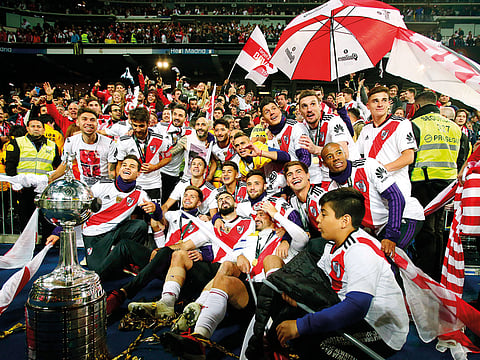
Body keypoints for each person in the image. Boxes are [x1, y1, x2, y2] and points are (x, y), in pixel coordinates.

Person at [263, 188, 409, 359]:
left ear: (344, 221)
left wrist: (302, 325)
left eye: (324, 214)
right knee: (283, 318)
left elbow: (356, 308)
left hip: (380, 331)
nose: (317, 219)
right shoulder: (331, 246)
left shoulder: (361, 250)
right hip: (347, 308)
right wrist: (299, 300)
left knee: (313, 343)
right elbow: (319, 283)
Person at [159, 201, 309, 358]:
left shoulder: (287, 240)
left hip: (274, 296)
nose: (257, 217)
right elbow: (235, 251)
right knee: (227, 266)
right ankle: (199, 337)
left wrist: (276, 214)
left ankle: (272, 320)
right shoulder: (251, 237)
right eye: (256, 214)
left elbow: (303, 238)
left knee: (271, 259)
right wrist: (240, 256)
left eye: (262, 214)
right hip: (251, 289)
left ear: (273, 218)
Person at [127, 191, 255, 319]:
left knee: (226, 265)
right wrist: (161, 250)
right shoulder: (209, 226)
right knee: (179, 255)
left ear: (236, 204)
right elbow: (184, 246)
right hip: (214, 268)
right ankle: (166, 302)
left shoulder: (250, 223)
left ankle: (199, 306)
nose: (224, 200)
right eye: (220, 199)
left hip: (235, 270)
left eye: (227, 198)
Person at [47, 155, 160, 279]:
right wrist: (57, 232)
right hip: (94, 234)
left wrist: (155, 209)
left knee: (140, 225)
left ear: (138, 173)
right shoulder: (102, 185)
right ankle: (114, 253)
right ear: (119, 169)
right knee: (99, 274)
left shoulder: (139, 193)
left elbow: (156, 215)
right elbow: (79, 207)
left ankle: (128, 261)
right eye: (124, 165)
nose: (127, 168)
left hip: (115, 231)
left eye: (132, 166)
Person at [105, 185, 212, 315]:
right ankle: (98, 280)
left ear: (199, 202)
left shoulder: (205, 223)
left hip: (180, 266)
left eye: (192, 196)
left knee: (166, 252)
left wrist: (162, 249)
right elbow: (159, 218)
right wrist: (155, 209)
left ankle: (122, 293)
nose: (187, 198)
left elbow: (185, 246)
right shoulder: (173, 214)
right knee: (126, 245)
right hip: (160, 258)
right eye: (186, 195)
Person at [321, 142, 424, 256]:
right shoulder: (333, 189)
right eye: (330, 157)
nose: (336, 158)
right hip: (380, 229)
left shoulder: (368, 165)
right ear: (324, 164)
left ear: (345, 154)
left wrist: (391, 236)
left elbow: (396, 197)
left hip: (404, 216)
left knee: (389, 258)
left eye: (339, 153)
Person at [410, 91, 463, 280]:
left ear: (417, 106)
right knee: (440, 229)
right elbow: (462, 156)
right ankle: (440, 272)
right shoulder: (455, 127)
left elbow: (411, 157)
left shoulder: (415, 124)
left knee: (427, 230)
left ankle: (426, 275)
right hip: (448, 184)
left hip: (423, 182)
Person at [356, 86, 417, 199]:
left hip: (397, 188)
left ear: (389, 104)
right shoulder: (366, 129)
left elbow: (409, 157)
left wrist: (381, 170)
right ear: (368, 106)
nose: (380, 104)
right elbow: (356, 156)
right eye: (375, 101)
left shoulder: (402, 124)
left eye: (384, 100)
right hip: (373, 191)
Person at [5, 117, 61, 232]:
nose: (36, 129)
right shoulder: (17, 142)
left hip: (44, 188)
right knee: (25, 219)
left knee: (46, 219)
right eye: (33, 126)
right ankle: (27, 245)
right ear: (27, 128)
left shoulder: (52, 145)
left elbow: (58, 165)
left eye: (39, 127)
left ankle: (47, 245)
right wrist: (15, 183)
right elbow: (10, 166)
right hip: (24, 188)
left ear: (44, 130)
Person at [296, 89, 359, 185]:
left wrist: (316, 149)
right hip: (326, 176)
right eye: (304, 106)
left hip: (350, 175)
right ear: (300, 111)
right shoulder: (302, 127)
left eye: (313, 104)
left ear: (320, 106)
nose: (309, 109)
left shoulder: (333, 121)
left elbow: (343, 154)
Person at [114, 107, 171, 204]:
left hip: (153, 184)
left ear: (148, 124)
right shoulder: (124, 141)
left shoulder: (160, 140)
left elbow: (169, 157)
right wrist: (122, 183)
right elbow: (119, 164)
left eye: (141, 126)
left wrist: (155, 167)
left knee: (153, 215)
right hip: (133, 184)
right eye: (135, 126)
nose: (138, 129)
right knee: (133, 216)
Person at [48, 108, 115, 185]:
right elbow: (65, 165)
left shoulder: (109, 143)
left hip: (104, 186)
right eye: (84, 119)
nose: (88, 123)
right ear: (77, 122)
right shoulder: (71, 141)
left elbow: (111, 171)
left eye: (92, 120)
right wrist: (50, 178)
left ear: (97, 124)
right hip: (84, 187)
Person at [259, 97, 311, 167]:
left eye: (274, 108)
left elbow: (305, 158)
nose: (272, 113)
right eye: (267, 112)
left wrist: (296, 173)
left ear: (280, 111)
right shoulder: (266, 134)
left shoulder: (296, 127)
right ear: (264, 119)